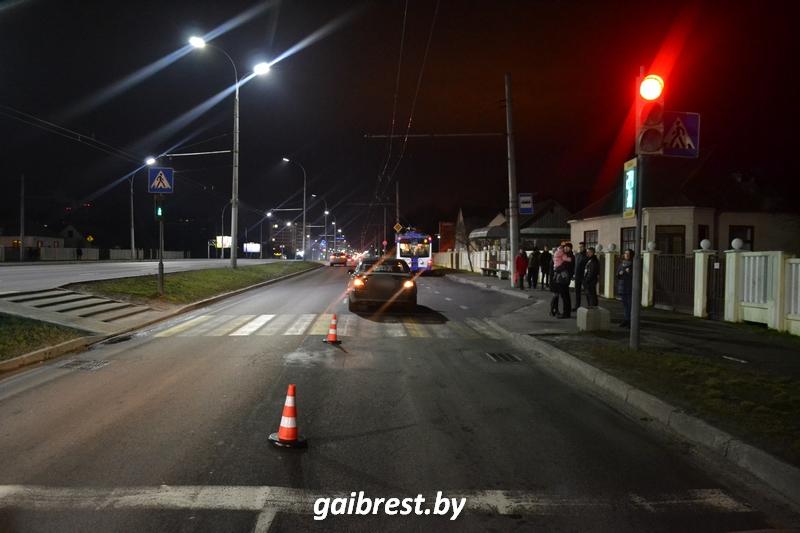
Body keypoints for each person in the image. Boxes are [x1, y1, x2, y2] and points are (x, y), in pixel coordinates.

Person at [617, 249, 634, 327]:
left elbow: (636, 276)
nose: (626, 255)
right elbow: (617, 275)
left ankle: (630, 321)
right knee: (625, 305)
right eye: (625, 253)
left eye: (628, 253)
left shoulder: (633, 264)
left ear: (631, 255)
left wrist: (628, 272)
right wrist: (619, 274)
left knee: (630, 305)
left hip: (629, 287)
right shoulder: (621, 264)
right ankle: (626, 320)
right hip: (622, 287)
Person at [572, 242, 588, 311]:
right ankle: (577, 306)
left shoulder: (587, 255)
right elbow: (575, 265)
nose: (580, 248)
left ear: (584, 247)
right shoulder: (577, 255)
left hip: (584, 276)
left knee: (587, 292)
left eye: (581, 247)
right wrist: (573, 274)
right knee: (577, 292)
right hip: (577, 276)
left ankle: (590, 306)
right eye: (579, 247)